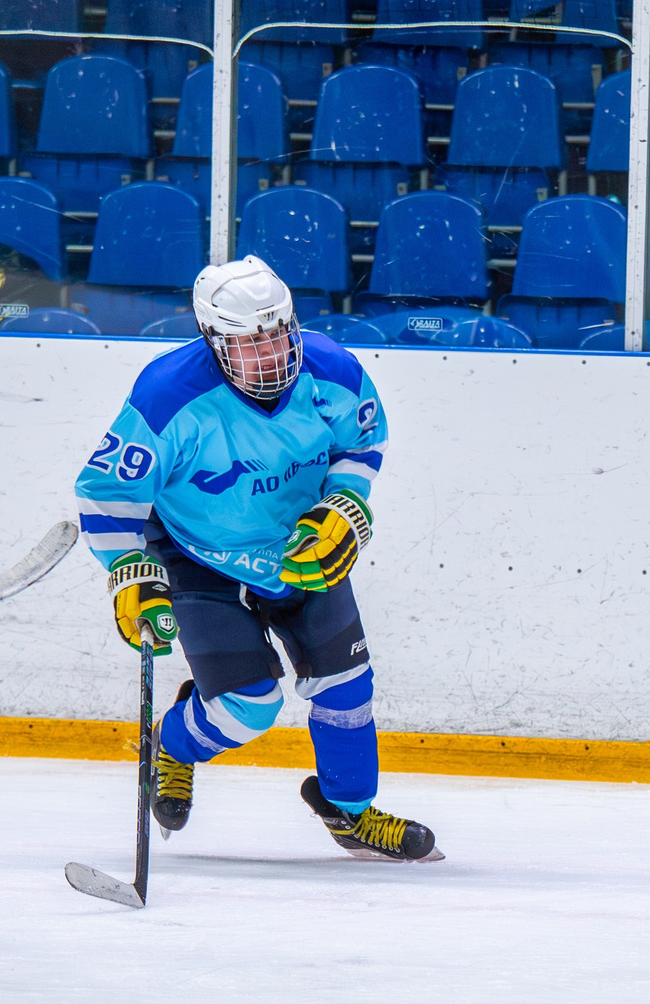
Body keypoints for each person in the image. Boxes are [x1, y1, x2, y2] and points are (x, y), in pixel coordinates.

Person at [72, 257, 443, 863]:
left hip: (301, 547)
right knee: (249, 708)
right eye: (249, 343)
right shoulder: (167, 398)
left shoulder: (333, 371)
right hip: (197, 558)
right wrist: (130, 571)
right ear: (212, 341)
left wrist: (346, 507)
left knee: (347, 691)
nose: (270, 355)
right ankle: (172, 745)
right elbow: (108, 495)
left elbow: (361, 444)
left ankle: (348, 812)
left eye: (278, 334)